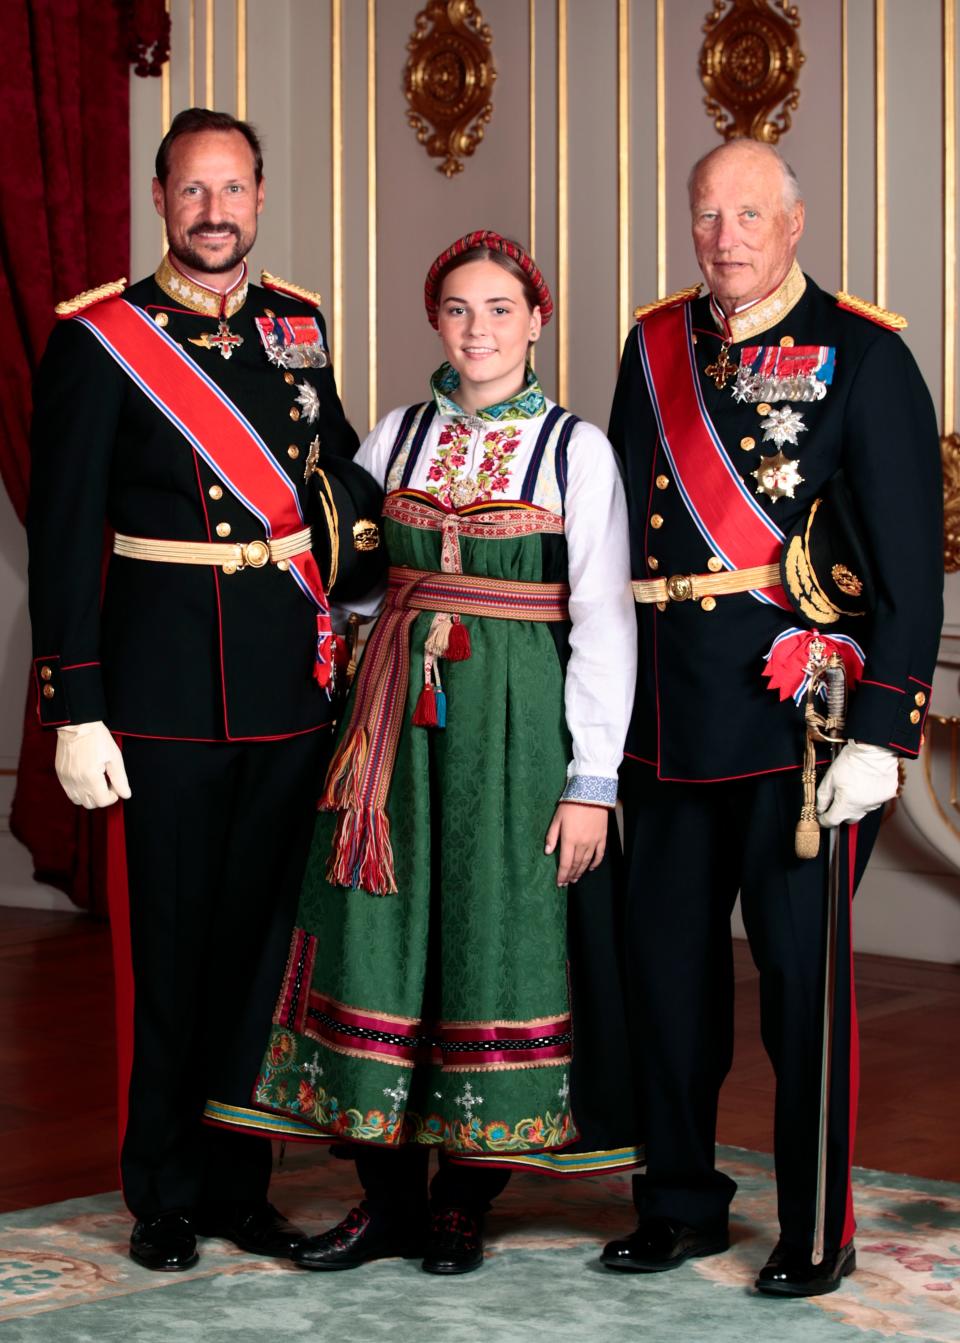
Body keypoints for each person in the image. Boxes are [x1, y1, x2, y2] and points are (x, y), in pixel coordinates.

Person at [217, 230, 639, 1274]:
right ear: (434, 321)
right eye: (458, 308)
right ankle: (386, 1196)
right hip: (391, 726)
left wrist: (590, 780)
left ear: (538, 320)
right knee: (378, 931)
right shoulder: (392, 440)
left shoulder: (576, 450)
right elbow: (353, 583)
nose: (479, 329)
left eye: (500, 308)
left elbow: (606, 621)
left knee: (492, 933)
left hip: (515, 731)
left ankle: (465, 1194)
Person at [27, 108, 383, 1272]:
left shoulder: (297, 327)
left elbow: (334, 478)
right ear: (160, 198)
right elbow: (67, 535)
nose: (215, 211)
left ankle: (240, 1183)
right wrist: (74, 703)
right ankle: (163, 1188)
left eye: (233, 189)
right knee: (169, 957)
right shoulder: (100, 341)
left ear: (261, 198)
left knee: (260, 961)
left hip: (288, 692)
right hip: (160, 700)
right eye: (193, 190)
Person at [602, 138, 943, 1297]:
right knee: (667, 983)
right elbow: (614, 552)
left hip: (800, 731)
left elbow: (908, 566)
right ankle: (681, 1202)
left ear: (795, 223)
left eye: (750, 213)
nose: (726, 236)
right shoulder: (652, 346)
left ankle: (815, 1226)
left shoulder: (866, 353)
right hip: (662, 724)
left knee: (802, 992)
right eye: (708, 214)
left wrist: (885, 733)